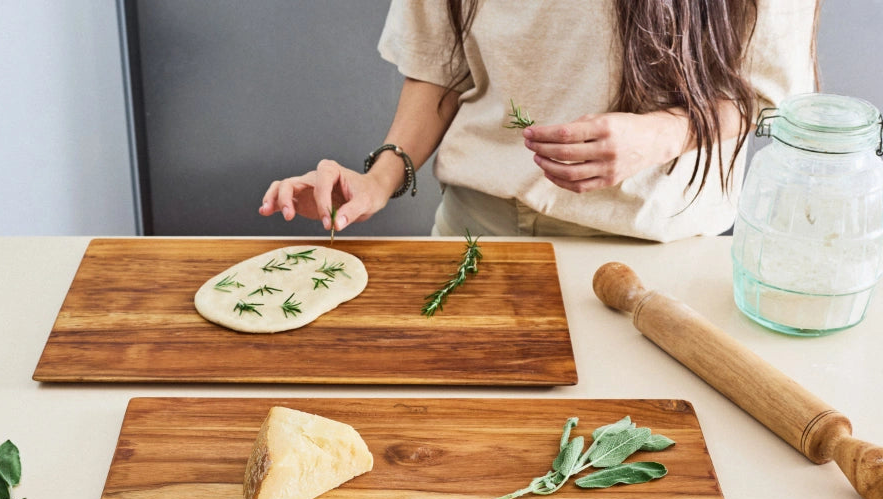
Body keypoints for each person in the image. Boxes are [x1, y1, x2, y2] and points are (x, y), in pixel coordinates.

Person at [258, 1, 820, 242]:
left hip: (655, 246)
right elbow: (440, 65)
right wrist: (378, 179)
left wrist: (662, 133)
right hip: (480, 235)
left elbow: (768, 93)